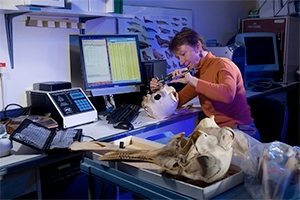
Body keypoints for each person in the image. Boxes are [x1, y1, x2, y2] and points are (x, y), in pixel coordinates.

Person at [150, 27, 260, 140]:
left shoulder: (223, 65)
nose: (181, 62)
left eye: (183, 54)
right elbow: (179, 101)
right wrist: (160, 91)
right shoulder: (200, 73)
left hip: (239, 131)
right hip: (218, 130)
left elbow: (227, 95)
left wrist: (192, 80)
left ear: (198, 46)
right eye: (178, 57)